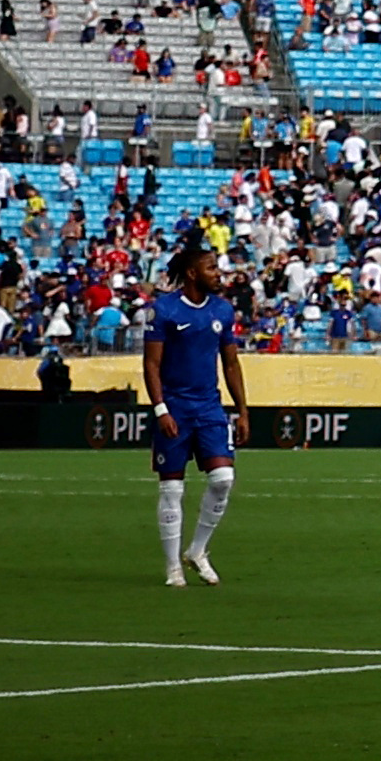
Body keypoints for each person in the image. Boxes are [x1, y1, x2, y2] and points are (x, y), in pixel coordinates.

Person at [144, 232, 249, 589]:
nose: (218, 273)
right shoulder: (165, 310)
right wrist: (161, 409)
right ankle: (173, 566)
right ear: (191, 273)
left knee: (223, 480)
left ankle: (197, 551)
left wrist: (243, 411)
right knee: (171, 490)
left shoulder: (222, 310)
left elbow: (231, 364)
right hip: (174, 406)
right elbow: (151, 365)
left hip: (209, 407)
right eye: (211, 268)